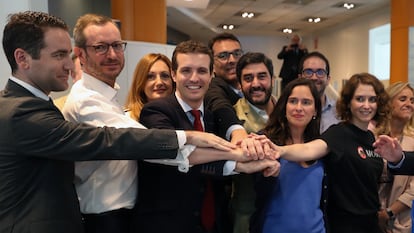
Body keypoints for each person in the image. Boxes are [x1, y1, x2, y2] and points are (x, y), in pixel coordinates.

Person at [0, 11, 251, 233]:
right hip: (101, 219)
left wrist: (236, 137)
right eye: (59, 55)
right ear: (22, 58)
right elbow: (120, 141)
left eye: (118, 45)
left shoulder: (61, 101)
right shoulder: (30, 109)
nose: (68, 64)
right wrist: (192, 137)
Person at [133, 40, 280, 233]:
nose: (194, 78)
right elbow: (176, 152)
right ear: (174, 75)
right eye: (186, 71)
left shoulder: (211, 117)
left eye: (202, 71)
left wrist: (248, 164)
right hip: (167, 225)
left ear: (211, 75)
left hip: (212, 224)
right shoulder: (156, 111)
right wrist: (236, 155)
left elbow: (207, 165)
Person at [270, 73, 390, 233]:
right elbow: (309, 149)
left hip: (370, 224)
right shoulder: (338, 134)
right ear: (348, 103)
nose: (366, 105)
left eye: (372, 99)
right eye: (360, 99)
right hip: (344, 225)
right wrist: (278, 150)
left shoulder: (371, 138)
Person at [251, 78, 325, 233]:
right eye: (293, 101)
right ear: (284, 106)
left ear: (316, 110)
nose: (298, 108)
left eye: (306, 102)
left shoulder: (322, 146)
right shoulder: (266, 141)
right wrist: (269, 176)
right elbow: (255, 193)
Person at [231, 52, 277, 233]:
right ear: (240, 84)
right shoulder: (232, 119)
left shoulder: (287, 110)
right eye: (248, 78)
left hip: (288, 211)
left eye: (262, 76)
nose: (256, 84)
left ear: (272, 79)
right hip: (249, 215)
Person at [374, 82, 414, 233]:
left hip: (401, 222)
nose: (409, 104)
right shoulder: (371, 136)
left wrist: (388, 212)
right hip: (368, 219)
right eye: (403, 99)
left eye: (412, 100)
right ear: (389, 103)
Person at [206, 32, 246, 141]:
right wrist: (236, 130)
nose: (232, 60)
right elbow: (219, 105)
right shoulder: (213, 87)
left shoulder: (250, 88)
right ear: (212, 65)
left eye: (237, 53)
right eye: (223, 56)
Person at [125, 53, 174, 121]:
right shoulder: (127, 120)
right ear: (140, 82)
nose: (159, 82)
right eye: (150, 77)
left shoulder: (184, 117)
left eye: (165, 76)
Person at [298, 51, 339, 133]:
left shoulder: (340, 112)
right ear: (299, 78)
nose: (314, 77)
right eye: (308, 72)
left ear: (328, 79)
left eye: (320, 72)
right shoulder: (291, 111)